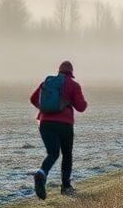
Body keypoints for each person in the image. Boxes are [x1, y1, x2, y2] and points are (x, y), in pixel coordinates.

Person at [30, 60, 88, 199]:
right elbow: (81, 107)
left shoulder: (47, 83)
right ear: (71, 72)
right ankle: (66, 187)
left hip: (45, 124)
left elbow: (33, 99)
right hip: (64, 124)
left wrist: (44, 108)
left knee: (53, 154)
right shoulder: (73, 85)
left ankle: (42, 173)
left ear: (59, 71)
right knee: (67, 154)